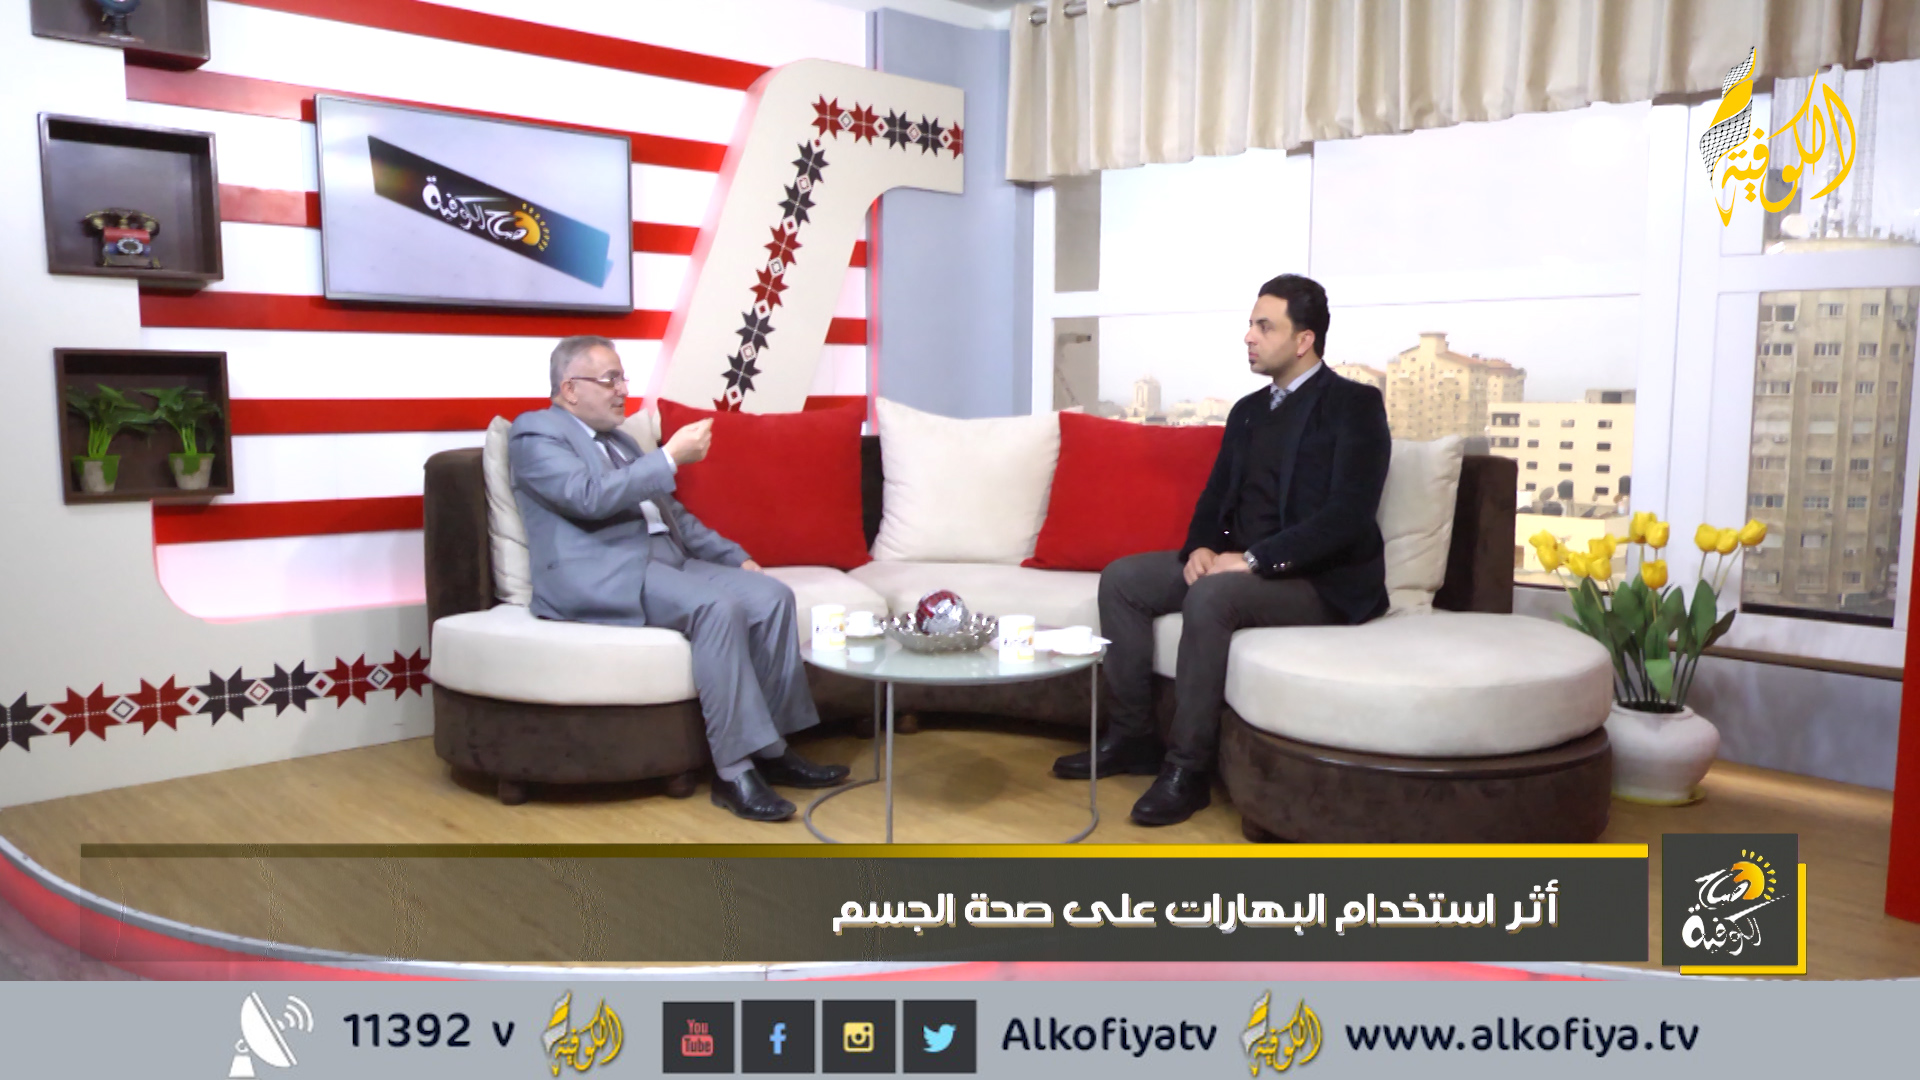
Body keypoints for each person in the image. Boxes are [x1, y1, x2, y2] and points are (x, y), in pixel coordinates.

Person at [1052, 274, 1392, 826]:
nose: (1249, 337)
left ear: (1303, 340)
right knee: (1123, 580)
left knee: (1210, 599)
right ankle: (1132, 738)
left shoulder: (1354, 406)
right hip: (1240, 565)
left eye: (1265, 326)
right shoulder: (1248, 411)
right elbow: (1215, 498)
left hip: (1318, 579)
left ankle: (1187, 771)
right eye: (1251, 324)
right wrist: (1202, 548)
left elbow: (1347, 517)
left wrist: (1254, 561)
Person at [508, 335, 849, 822]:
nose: (623, 390)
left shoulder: (623, 442)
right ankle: (733, 772)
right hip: (607, 569)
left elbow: (675, 518)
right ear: (570, 389)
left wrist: (735, 558)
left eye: (623, 378)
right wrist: (668, 457)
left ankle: (773, 750)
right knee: (717, 608)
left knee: (771, 596)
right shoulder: (535, 433)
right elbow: (587, 496)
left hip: (667, 558)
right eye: (610, 379)